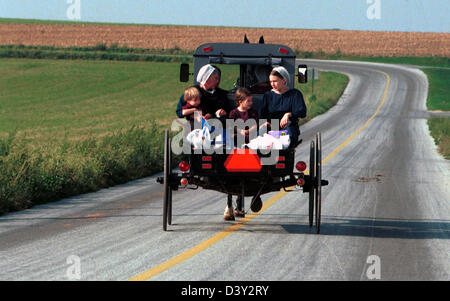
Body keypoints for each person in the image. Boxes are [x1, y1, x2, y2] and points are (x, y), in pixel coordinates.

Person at [261, 66, 307, 147]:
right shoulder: (268, 96)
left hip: (288, 127)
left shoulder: (295, 94)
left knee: (288, 135)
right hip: (272, 128)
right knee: (261, 134)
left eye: (275, 81)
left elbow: (302, 111)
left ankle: (281, 146)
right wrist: (265, 122)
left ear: (284, 80)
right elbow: (262, 114)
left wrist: (289, 114)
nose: (272, 84)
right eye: (271, 81)